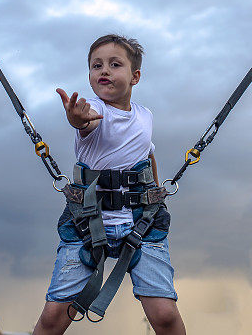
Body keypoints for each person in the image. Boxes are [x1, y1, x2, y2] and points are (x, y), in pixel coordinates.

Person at [33, 34, 186, 335]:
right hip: (89, 222)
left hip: (140, 221)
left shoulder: (145, 116)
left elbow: (147, 150)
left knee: (165, 315)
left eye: (115, 64)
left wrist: (155, 191)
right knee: (53, 317)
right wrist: (77, 118)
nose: (103, 70)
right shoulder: (93, 109)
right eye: (96, 65)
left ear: (135, 76)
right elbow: (86, 122)